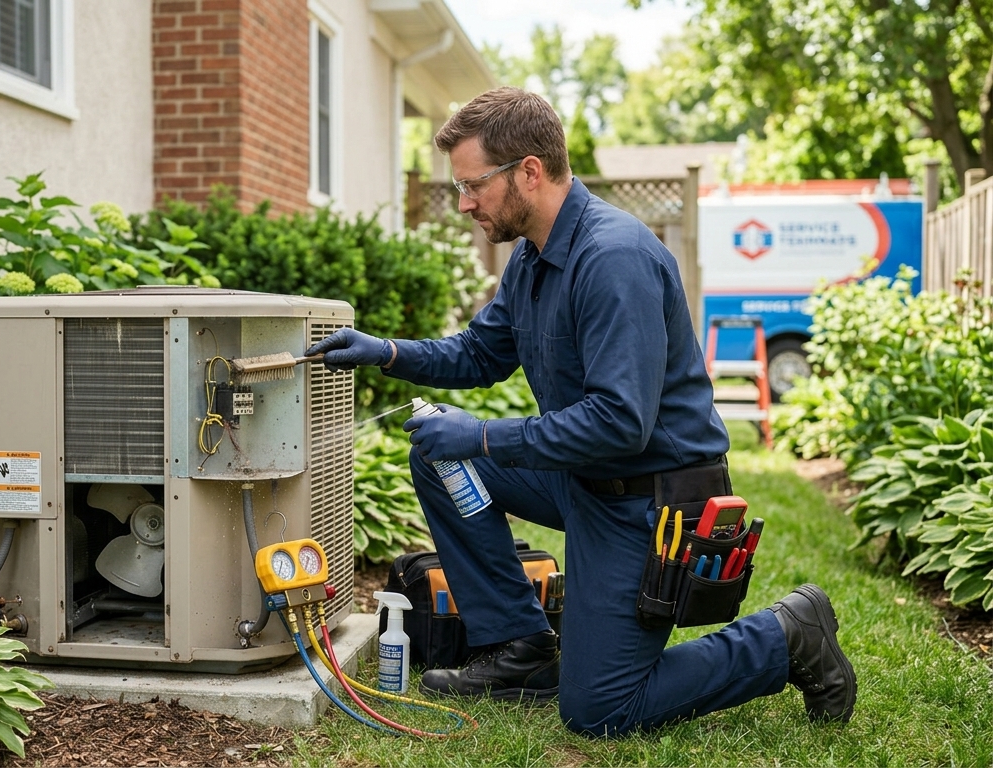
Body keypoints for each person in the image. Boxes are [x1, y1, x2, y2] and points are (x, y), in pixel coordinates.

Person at [304, 87, 856, 737]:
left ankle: (786, 637)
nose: (464, 203)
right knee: (438, 454)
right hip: (585, 479)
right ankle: (521, 648)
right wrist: (387, 352)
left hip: (649, 502)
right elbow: (482, 354)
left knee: (600, 709)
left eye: (474, 185)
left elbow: (621, 422)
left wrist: (482, 435)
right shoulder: (533, 260)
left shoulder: (611, 259)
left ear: (529, 172)